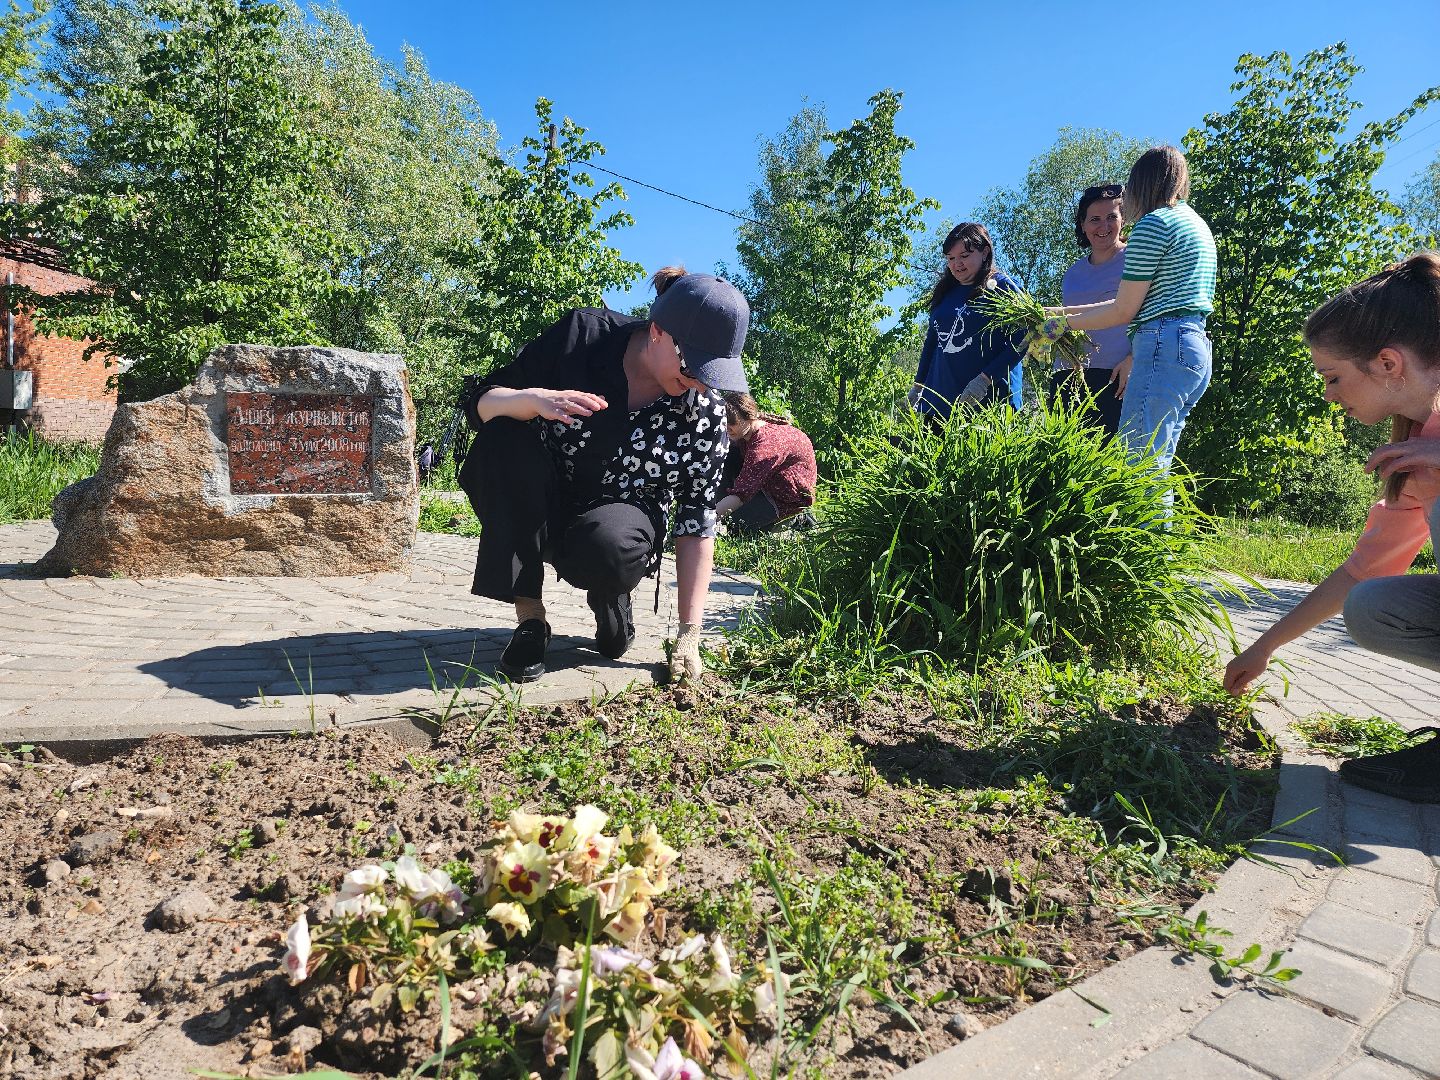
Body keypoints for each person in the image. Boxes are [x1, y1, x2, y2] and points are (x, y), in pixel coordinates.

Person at [456, 268, 748, 684]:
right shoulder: (582, 337)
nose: (699, 383)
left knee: (609, 549)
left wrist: (689, 634)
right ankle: (531, 620)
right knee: (502, 437)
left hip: (622, 517)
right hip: (543, 497)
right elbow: (482, 405)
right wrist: (534, 399)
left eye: (712, 373)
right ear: (658, 332)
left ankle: (611, 595)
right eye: (692, 366)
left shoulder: (704, 413)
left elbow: (697, 520)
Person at [1225, 253, 1440, 801]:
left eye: (1333, 377)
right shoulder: (1416, 450)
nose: (1328, 394)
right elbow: (1362, 570)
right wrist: (1263, 647)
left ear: (1387, 363)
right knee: (1372, 605)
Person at [1042, 147, 1216, 494]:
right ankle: (1157, 532)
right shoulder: (1195, 223)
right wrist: (1057, 315)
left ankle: (1144, 533)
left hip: (1161, 343)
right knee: (1155, 465)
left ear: (1140, 185)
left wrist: (1058, 323)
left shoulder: (1153, 225)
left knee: (1138, 467)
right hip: (1194, 345)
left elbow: (1123, 311)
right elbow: (1128, 302)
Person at [911, 223, 1026, 423]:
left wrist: (985, 379)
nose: (957, 264)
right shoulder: (945, 293)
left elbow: (1023, 338)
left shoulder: (1003, 287)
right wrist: (919, 384)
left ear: (985, 252)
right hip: (940, 405)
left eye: (964, 256)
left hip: (990, 403)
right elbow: (932, 343)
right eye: (951, 258)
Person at [1050, 183, 1132, 438]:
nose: (1103, 226)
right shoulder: (1072, 274)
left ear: (1123, 219)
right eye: (1094, 219)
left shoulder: (1135, 261)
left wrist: (1134, 359)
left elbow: (1151, 317)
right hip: (1069, 377)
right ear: (1083, 226)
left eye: (1111, 217)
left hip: (1115, 378)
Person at [717, 392, 817, 533]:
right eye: (723, 422)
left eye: (731, 423)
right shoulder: (749, 429)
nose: (727, 427)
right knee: (722, 455)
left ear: (748, 417)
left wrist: (704, 520)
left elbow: (742, 493)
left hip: (786, 499)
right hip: (767, 484)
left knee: (736, 527)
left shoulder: (766, 444)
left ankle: (796, 520)